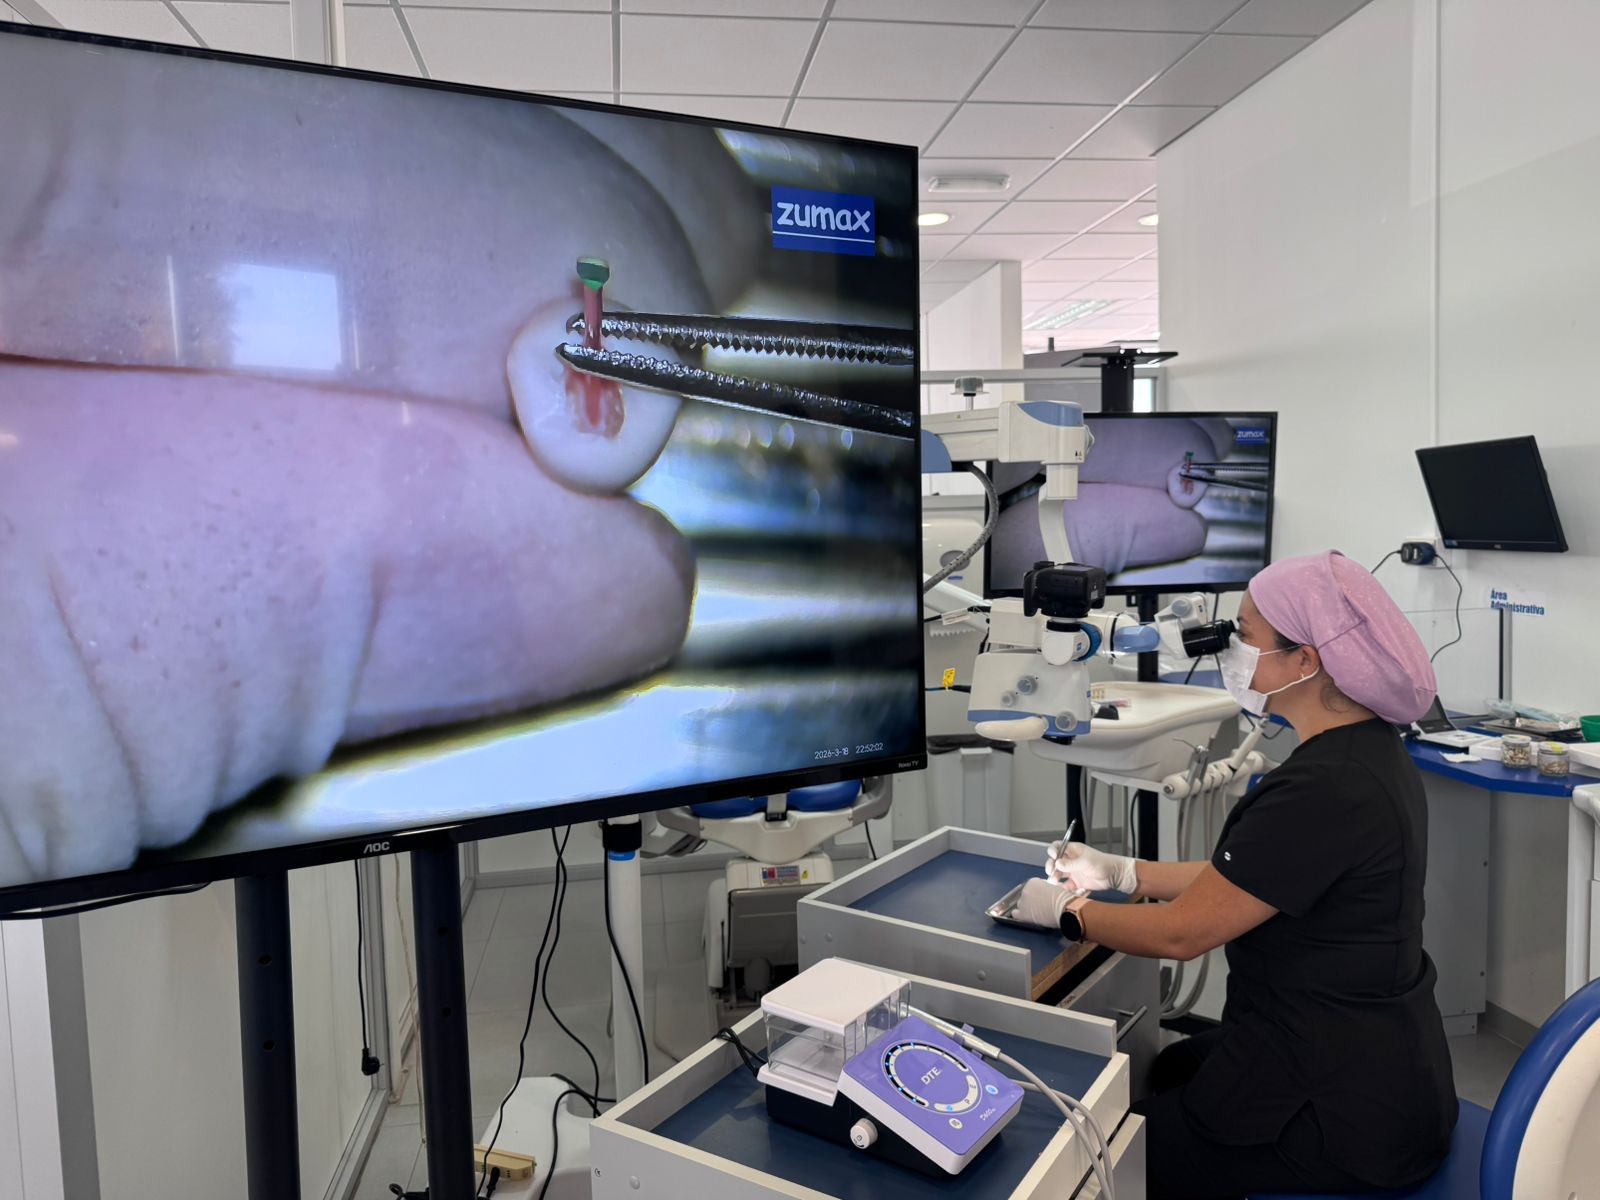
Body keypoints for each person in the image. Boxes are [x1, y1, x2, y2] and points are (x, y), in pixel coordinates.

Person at [1016, 550, 1458, 1199]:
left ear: (1305, 661)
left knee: (1115, 1150)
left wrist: (1066, 912)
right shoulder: (1366, 752)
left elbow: (1180, 936)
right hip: (1369, 1053)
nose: (1234, 649)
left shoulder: (1324, 787)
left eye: (1246, 635)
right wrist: (1126, 872)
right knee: (1173, 1064)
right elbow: (1256, 876)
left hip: (1347, 1116)